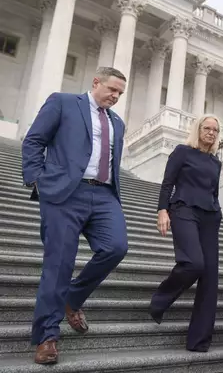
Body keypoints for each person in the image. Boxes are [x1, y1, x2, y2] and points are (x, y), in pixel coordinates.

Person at [21, 67, 129, 365]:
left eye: (120, 93)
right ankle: (47, 337)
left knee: (116, 247)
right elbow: (34, 141)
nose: (116, 96)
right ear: (96, 82)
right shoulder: (63, 102)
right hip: (64, 193)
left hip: (104, 194)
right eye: (112, 89)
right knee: (58, 264)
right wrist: (36, 179)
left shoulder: (117, 123)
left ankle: (72, 299)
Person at [148, 115, 223, 352]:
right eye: (207, 128)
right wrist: (162, 210)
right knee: (193, 263)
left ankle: (199, 341)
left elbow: (215, 192)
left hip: (210, 216)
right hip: (183, 210)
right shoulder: (182, 151)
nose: (211, 132)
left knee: (210, 279)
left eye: (215, 130)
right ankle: (159, 300)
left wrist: (217, 212)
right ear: (198, 129)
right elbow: (167, 182)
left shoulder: (216, 162)